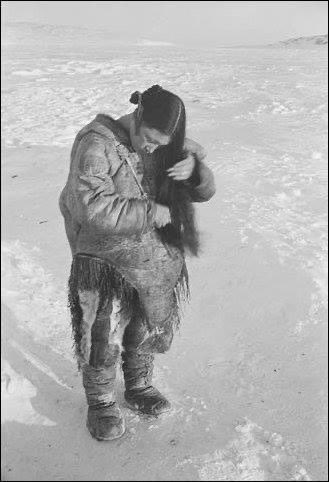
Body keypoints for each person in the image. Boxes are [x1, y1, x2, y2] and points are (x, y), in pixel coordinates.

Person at [59, 84, 216, 441]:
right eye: (148, 139)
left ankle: (138, 385)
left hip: (148, 255)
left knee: (144, 320)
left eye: (161, 144)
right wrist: (149, 211)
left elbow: (204, 193)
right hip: (100, 254)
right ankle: (100, 401)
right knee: (99, 329)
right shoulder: (96, 146)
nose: (151, 148)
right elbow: (90, 206)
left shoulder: (164, 146)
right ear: (137, 116)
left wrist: (195, 170)